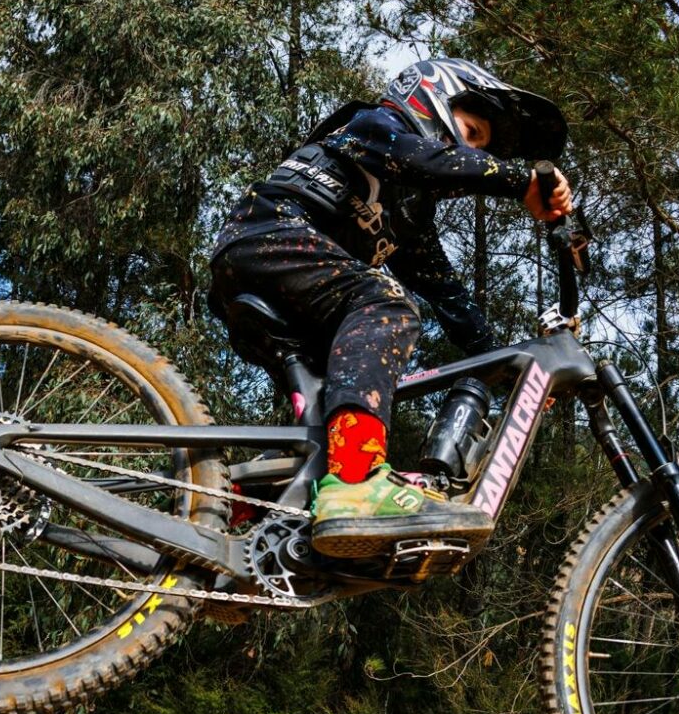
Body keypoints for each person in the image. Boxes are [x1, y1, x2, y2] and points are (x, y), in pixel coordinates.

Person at [208, 57, 573, 558]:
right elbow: (423, 160)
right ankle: (357, 481)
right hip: (267, 238)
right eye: (471, 130)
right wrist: (523, 179)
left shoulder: (407, 216)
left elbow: (450, 298)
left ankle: (230, 528)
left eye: (478, 144)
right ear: (431, 96)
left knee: (318, 418)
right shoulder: (375, 124)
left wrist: (512, 365)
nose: (468, 148)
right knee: (388, 306)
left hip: (280, 291)